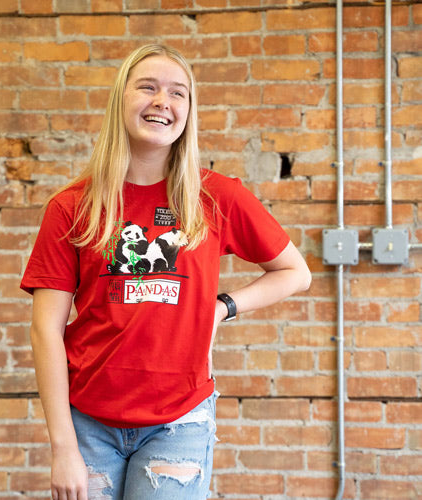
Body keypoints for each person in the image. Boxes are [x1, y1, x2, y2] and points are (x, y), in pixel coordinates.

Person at [21, 44, 312, 500]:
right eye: (148, 87)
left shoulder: (218, 197)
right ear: (121, 99)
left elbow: (295, 272)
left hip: (181, 420)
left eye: (178, 93)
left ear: (188, 112)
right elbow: (45, 331)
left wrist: (223, 308)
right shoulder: (71, 207)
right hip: (88, 421)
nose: (163, 101)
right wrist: (63, 447)